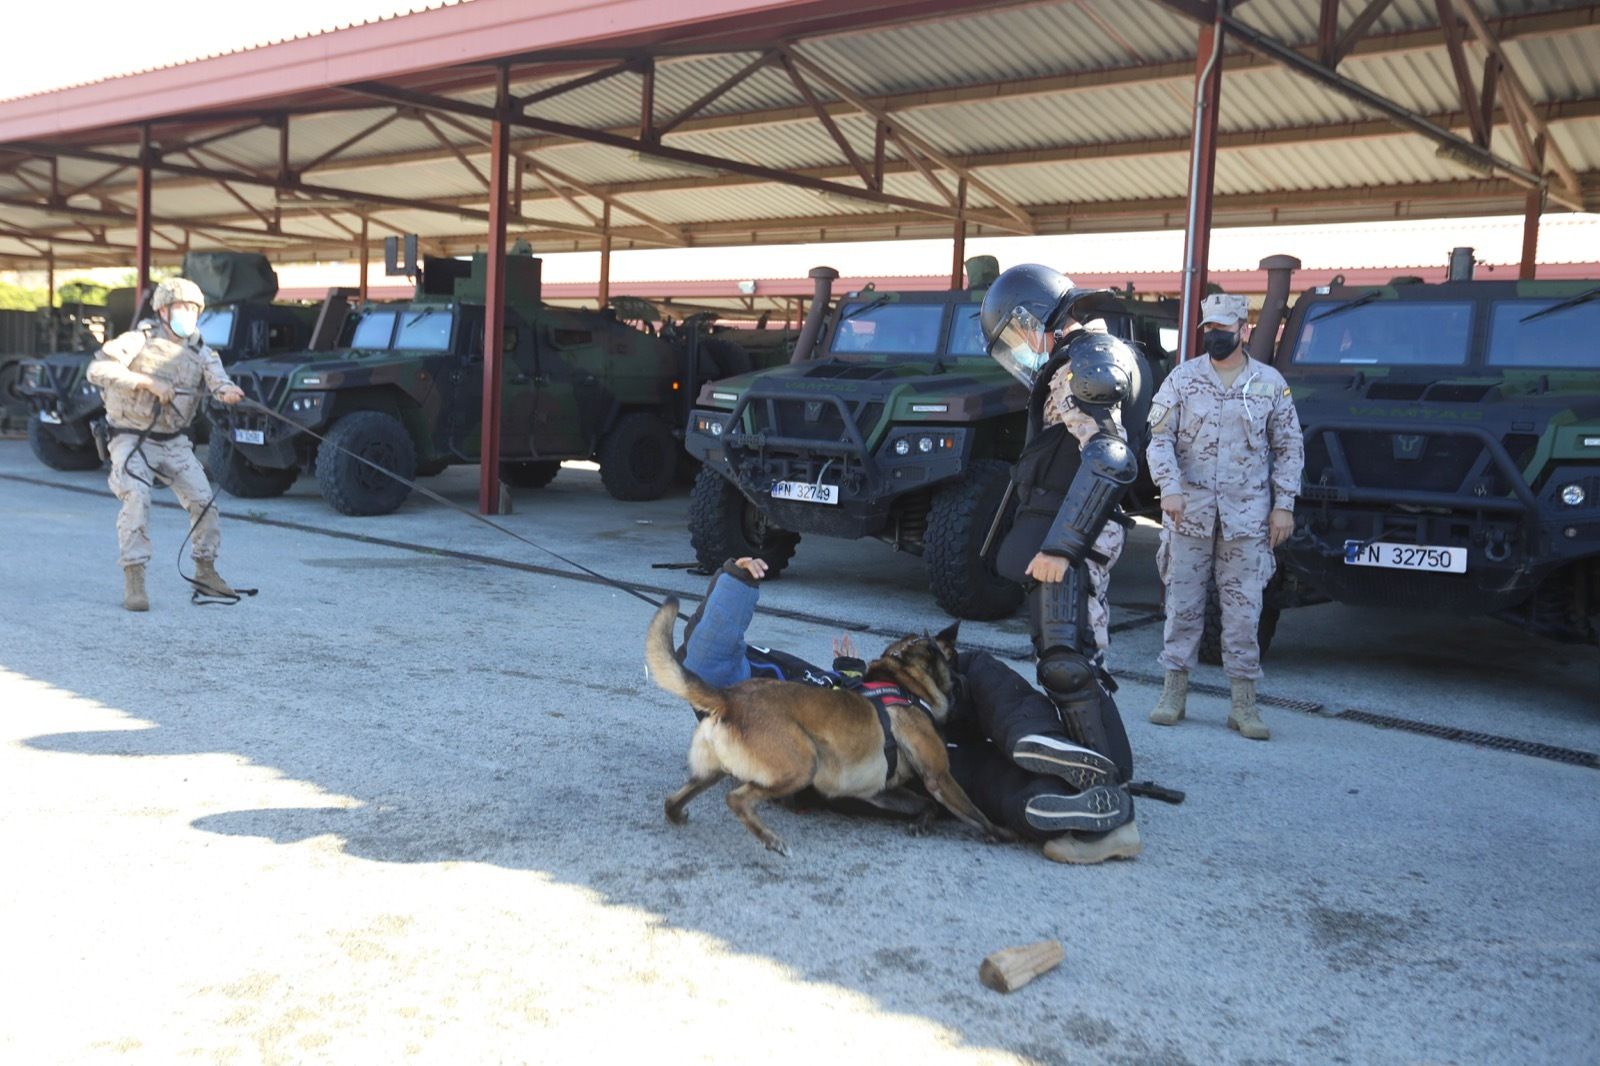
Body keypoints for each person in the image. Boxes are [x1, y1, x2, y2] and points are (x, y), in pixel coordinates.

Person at [675, 558, 1136, 859]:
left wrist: (849, 670)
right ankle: (1042, 753)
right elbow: (704, 656)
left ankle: (1037, 796)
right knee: (965, 689)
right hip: (870, 733)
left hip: (866, 719)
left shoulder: (749, 702)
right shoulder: (740, 701)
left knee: (966, 767)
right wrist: (736, 580)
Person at [977, 263, 1155, 864]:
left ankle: (1108, 818)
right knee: (1071, 663)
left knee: (1067, 665)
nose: (1016, 350)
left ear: (1034, 317)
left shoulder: (1089, 359)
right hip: (1062, 538)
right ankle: (1103, 783)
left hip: (1069, 542)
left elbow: (1108, 457)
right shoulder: (1077, 363)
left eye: (1013, 334)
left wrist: (1061, 546)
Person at [1145, 292, 1305, 739]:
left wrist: (1284, 505)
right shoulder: (1182, 380)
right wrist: (1169, 488)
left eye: (1223, 329)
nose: (1215, 336)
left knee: (1243, 613)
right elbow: (1158, 439)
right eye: (1209, 330)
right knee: (1182, 607)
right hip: (1188, 517)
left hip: (1247, 519)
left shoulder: (1270, 384)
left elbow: (1289, 447)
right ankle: (1173, 693)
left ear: (1244, 330)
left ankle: (1243, 706)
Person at [85, 277, 246, 611]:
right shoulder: (138, 340)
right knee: (137, 497)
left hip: (174, 441)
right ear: (162, 310)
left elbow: (219, 381)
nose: (187, 314)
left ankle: (205, 570)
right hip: (131, 436)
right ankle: (134, 578)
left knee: (204, 502)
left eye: (193, 309)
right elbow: (97, 369)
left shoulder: (201, 350)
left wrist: (228, 392)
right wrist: (147, 381)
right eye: (181, 307)